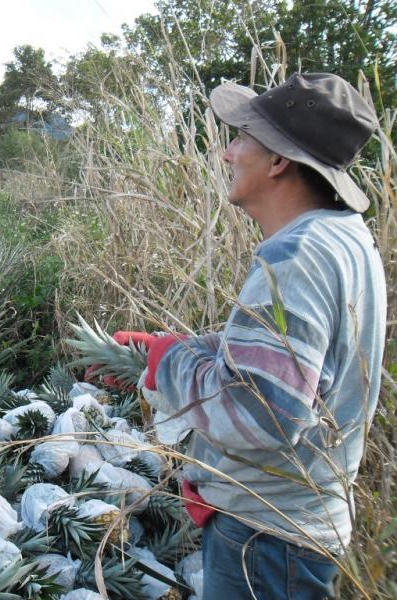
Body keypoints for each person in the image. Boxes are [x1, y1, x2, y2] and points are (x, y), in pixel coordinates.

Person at [105, 73, 386, 599]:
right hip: (297, 527)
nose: (227, 153)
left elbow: (262, 412)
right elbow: (294, 364)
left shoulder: (294, 257)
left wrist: (169, 362)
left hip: (268, 537)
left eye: (241, 139)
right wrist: (176, 349)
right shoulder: (343, 237)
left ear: (278, 160)